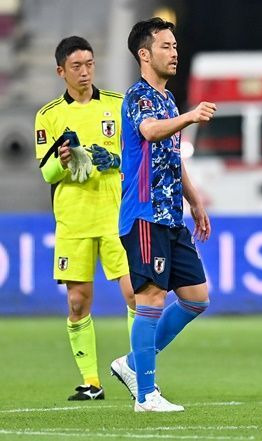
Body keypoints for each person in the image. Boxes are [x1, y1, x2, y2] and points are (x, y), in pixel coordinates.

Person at [109, 17, 216, 412]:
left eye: (175, 46)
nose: (174, 53)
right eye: (166, 46)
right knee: (151, 297)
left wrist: (196, 200)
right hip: (144, 214)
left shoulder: (168, 100)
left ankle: (133, 364)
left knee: (196, 298)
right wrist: (190, 116)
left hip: (171, 216)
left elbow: (171, 155)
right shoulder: (138, 96)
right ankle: (146, 395)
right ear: (144, 53)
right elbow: (152, 132)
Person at [34, 36, 135, 401]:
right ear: (61, 71)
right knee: (78, 302)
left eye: (89, 64)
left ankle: (140, 371)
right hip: (74, 221)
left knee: (135, 295)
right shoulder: (49, 115)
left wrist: (117, 162)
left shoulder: (117, 106)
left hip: (115, 218)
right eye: (76, 66)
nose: (85, 71)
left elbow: (138, 157)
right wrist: (62, 163)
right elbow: (46, 174)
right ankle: (92, 382)